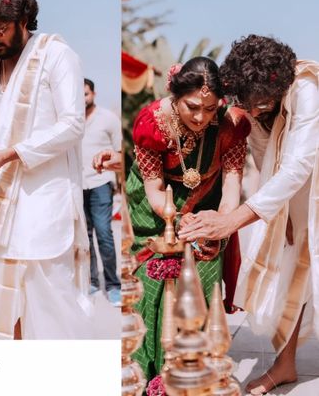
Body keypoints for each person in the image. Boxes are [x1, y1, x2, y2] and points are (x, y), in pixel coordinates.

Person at [0, 0, 92, 340]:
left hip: (42, 199)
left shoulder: (57, 56)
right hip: (0, 204)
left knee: (44, 298)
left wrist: (11, 154)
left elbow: (73, 124)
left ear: (23, 20)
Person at [179, 35, 319, 395]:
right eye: (246, 105)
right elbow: (264, 153)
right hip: (298, 192)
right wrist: (282, 215)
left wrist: (232, 220)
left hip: (310, 181)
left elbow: (299, 163)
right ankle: (285, 364)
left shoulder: (306, 89)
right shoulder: (255, 103)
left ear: (279, 84)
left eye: (260, 104)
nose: (254, 113)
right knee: (295, 268)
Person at [126, 56, 251, 380]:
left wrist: (219, 225)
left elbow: (232, 184)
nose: (201, 117)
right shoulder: (152, 123)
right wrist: (176, 220)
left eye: (210, 109)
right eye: (192, 107)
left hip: (208, 205)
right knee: (155, 279)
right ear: (175, 95)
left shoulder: (231, 124)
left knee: (204, 273)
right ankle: (152, 373)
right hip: (156, 210)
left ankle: (198, 371)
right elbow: (154, 189)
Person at [83, 78, 122, 306]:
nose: (82, 99)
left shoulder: (108, 118)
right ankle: (92, 281)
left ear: (94, 94)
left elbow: (120, 151)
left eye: (85, 94)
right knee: (85, 236)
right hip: (77, 184)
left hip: (101, 182)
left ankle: (113, 285)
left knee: (104, 233)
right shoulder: (71, 120)